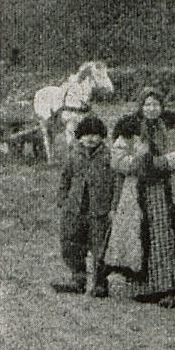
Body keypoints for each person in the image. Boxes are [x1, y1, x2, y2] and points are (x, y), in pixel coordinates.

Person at [104, 87, 175, 307]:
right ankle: (145, 289)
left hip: (170, 191)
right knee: (141, 238)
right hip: (140, 193)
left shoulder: (174, 127)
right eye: (147, 105)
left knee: (168, 238)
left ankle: (172, 287)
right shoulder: (129, 130)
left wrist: (165, 161)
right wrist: (137, 164)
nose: (151, 109)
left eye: (155, 104)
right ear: (141, 107)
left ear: (161, 107)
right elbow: (117, 158)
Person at [51, 114, 114, 298]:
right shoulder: (74, 154)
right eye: (86, 134)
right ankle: (77, 280)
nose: (91, 138)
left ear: (102, 136)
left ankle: (100, 283)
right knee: (72, 243)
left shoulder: (108, 156)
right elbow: (65, 178)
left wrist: (113, 206)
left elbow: (116, 182)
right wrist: (63, 199)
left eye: (95, 134)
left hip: (99, 209)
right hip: (75, 208)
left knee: (100, 246)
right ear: (80, 136)